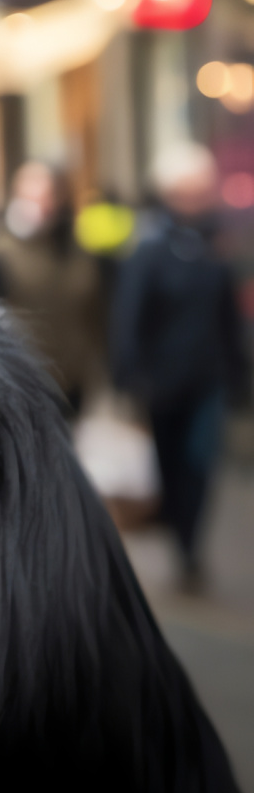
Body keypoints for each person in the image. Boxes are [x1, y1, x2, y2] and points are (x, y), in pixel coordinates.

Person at [111, 141, 247, 590]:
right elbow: (129, 315)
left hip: (206, 378)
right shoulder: (149, 247)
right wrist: (129, 375)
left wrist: (239, 375)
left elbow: (227, 316)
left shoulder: (215, 246)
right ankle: (177, 535)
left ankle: (190, 547)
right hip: (162, 381)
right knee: (170, 464)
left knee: (199, 461)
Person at [0, 160, 107, 413]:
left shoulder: (78, 250)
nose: (39, 202)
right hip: (17, 384)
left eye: (47, 194)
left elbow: (95, 312)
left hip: (71, 381)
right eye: (30, 193)